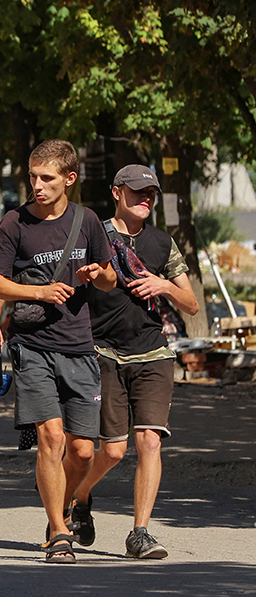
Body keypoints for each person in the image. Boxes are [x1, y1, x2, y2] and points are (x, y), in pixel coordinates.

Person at [0, 139, 116, 563]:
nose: (37, 186)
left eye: (47, 178)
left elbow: (111, 279)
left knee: (82, 451)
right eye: (33, 177)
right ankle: (59, 532)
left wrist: (99, 273)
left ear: (69, 180)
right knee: (51, 438)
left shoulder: (87, 220)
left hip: (78, 345)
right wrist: (37, 291)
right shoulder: (15, 223)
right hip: (33, 344)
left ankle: (65, 502)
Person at [68, 164, 199, 559]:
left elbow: (191, 304)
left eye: (151, 194)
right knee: (111, 451)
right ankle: (81, 493)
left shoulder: (162, 243)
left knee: (150, 441)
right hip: (103, 351)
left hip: (154, 352)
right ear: (116, 192)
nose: (145, 199)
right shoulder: (93, 234)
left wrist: (164, 286)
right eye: (137, 191)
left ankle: (139, 532)